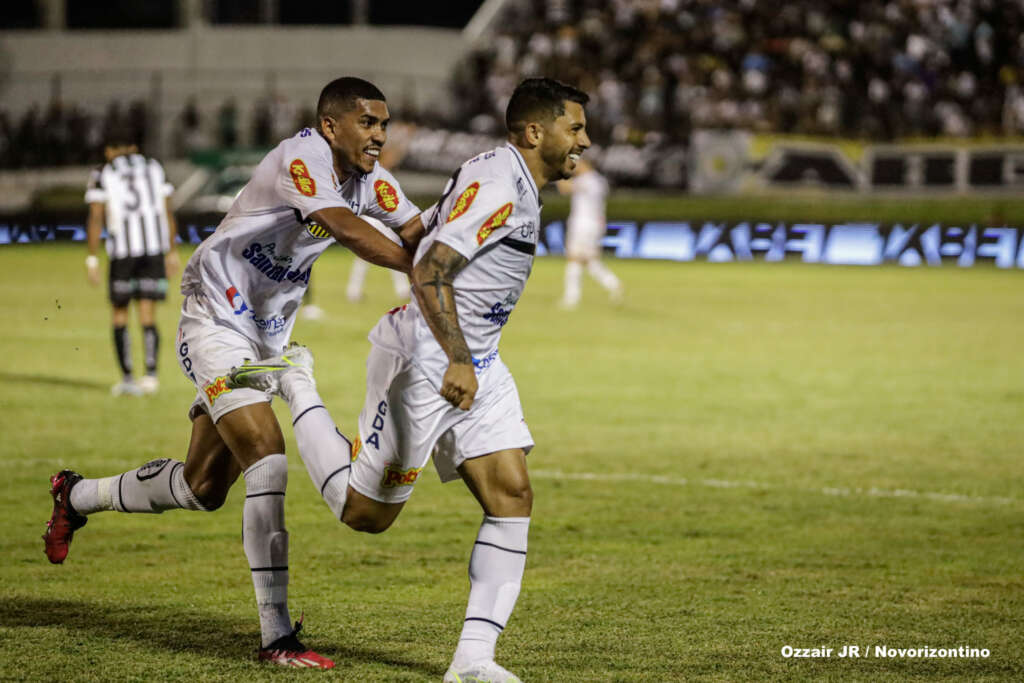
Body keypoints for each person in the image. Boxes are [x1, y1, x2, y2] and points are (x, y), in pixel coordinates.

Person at [43, 77, 425, 669]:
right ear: (331, 125)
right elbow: (348, 230)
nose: (380, 134)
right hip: (215, 316)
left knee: (202, 488)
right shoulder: (303, 158)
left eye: (384, 123)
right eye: (368, 122)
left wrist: (453, 253)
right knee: (267, 456)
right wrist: (420, 271)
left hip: (266, 335)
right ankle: (277, 638)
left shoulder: (371, 178)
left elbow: (414, 229)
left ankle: (76, 494)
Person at [229, 78, 591, 682]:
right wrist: (456, 357)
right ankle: (298, 382)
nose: (584, 140)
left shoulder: (505, 173)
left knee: (511, 494)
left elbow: (430, 233)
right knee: (364, 514)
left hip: (476, 357)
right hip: (429, 357)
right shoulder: (501, 185)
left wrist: (470, 357)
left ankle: (473, 662)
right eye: (574, 128)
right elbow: (429, 267)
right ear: (536, 131)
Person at [84, 135, 180, 396]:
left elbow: (96, 215)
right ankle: (151, 376)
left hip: (123, 252)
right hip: (152, 249)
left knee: (119, 314)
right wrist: (172, 251)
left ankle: (127, 378)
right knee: (147, 313)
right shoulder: (154, 167)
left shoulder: (103, 172)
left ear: (109, 149)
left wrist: (92, 258)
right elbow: (167, 211)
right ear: (135, 146)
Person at [556, 157, 622, 309]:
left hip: (582, 224)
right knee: (588, 260)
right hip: (595, 223)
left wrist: (558, 171)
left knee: (574, 258)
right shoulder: (600, 181)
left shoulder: (586, 180)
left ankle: (571, 298)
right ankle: (613, 283)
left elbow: (564, 189)